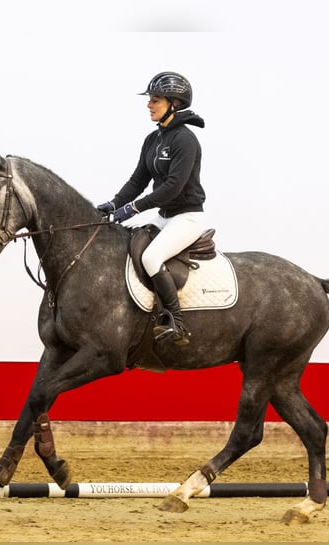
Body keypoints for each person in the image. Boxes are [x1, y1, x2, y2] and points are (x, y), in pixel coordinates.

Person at [97, 71, 206, 346]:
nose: (149, 105)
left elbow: (172, 187)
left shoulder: (185, 140)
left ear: (174, 103)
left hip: (187, 218)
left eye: (155, 100)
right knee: (121, 240)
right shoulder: (152, 140)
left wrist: (133, 208)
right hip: (163, 217)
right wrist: (114, 204)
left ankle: (177, 323)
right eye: (150, 100)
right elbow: (138, 181)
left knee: (151, 258)